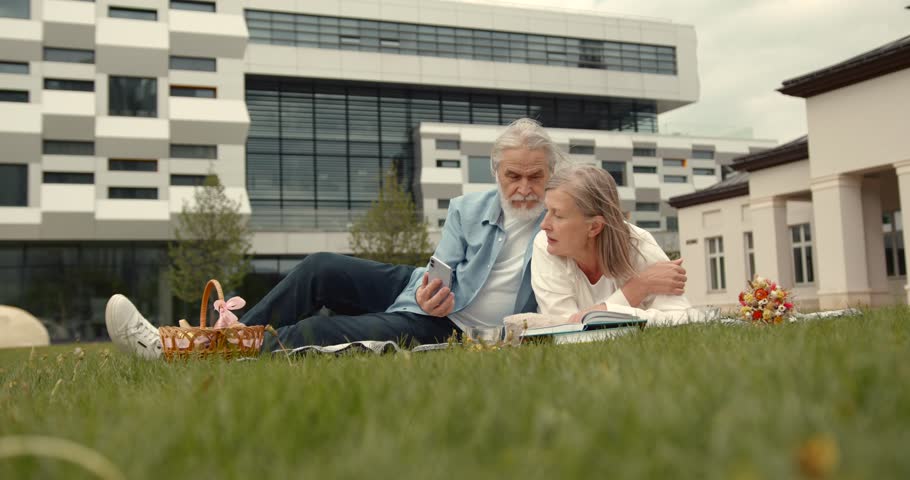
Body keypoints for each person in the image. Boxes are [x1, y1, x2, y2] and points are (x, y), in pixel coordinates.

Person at [105, 119, 687, 360]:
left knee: (323, 334)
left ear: (550, 176)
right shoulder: (468, 207)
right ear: (497, 174)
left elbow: (574, 301)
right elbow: (440, 268)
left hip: (457, 329)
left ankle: (194, 351)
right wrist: (435, 286)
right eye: (515, 176)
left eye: (537, 176)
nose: (527, 188)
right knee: (319, 268)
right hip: (429, 297)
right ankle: (220, 333)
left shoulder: (557, 228)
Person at [531, 164, 693, 325]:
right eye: (547, 211)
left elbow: (684, 319)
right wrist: (636, 289)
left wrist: (602, 312)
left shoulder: (639, 244)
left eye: (558, 215)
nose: (544, 225)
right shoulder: (545, 243)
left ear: (594, 226)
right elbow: (565, 329)